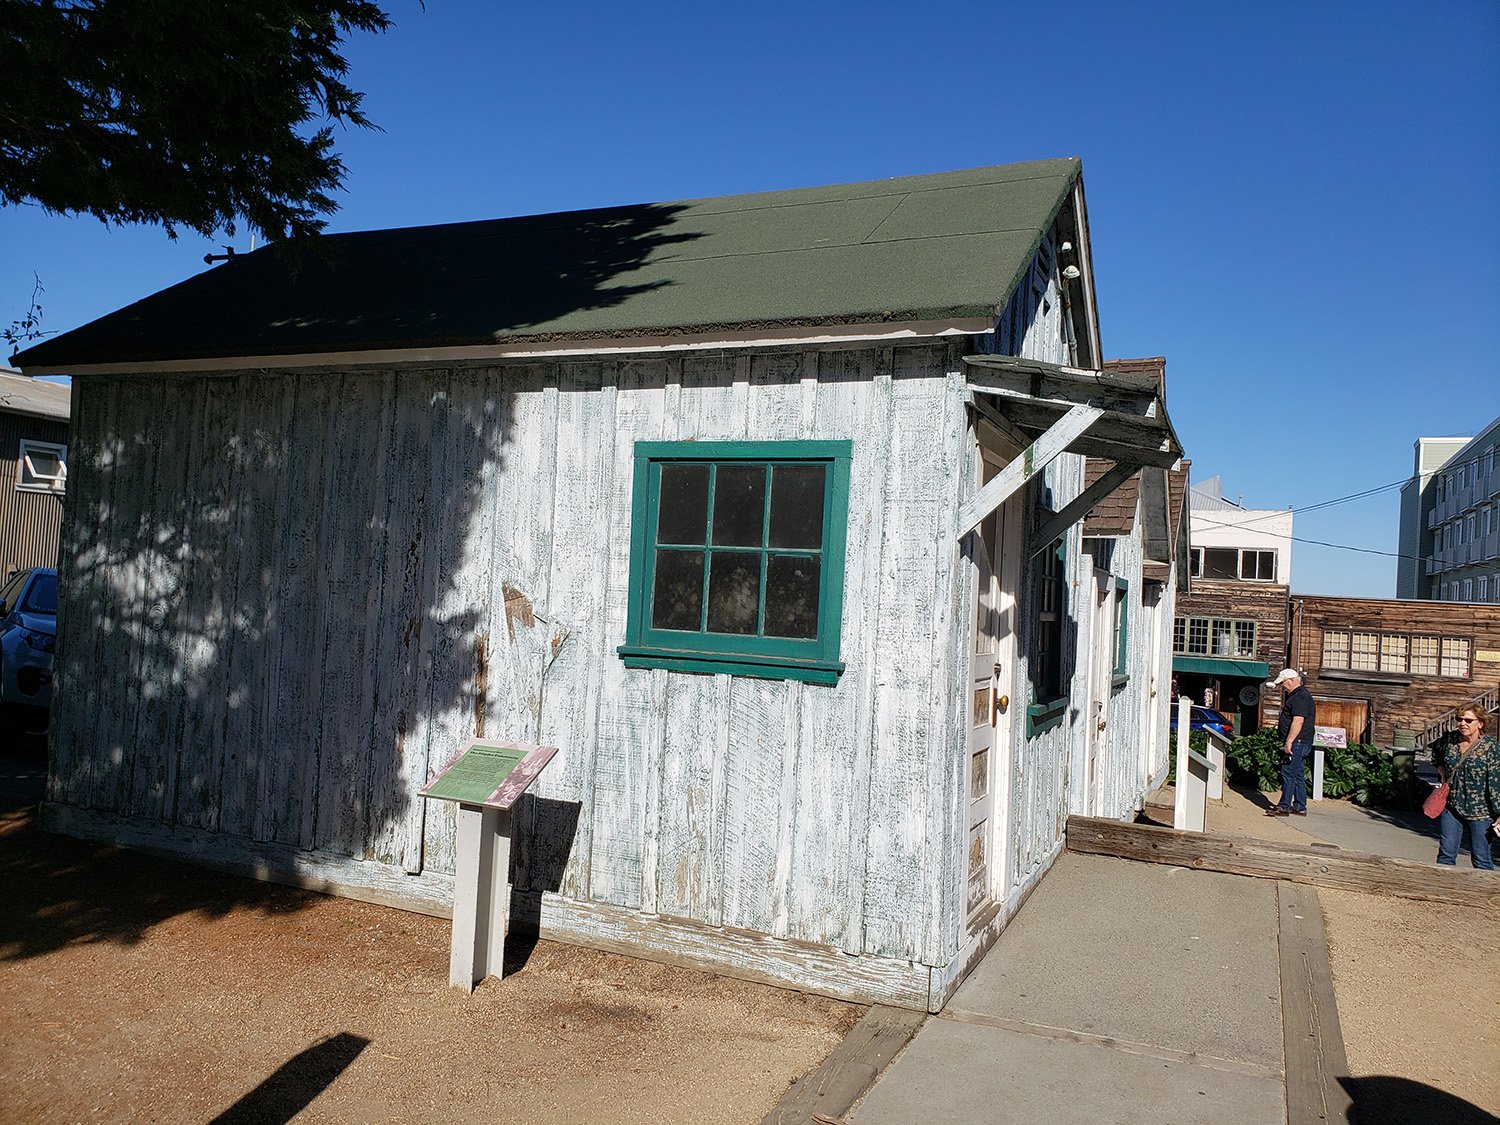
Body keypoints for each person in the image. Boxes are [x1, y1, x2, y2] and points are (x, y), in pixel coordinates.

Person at [1434, 706, 1500, 869]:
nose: (1462, 723)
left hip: (1481, 813)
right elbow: (1436, 750)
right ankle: (1443, 892)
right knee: (1446, 856)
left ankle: (1486, 894)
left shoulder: (1491, 748)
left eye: (1468, 720)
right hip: (1452, 807)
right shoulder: (1449, 741)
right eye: (1459, 719)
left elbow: (1495, 783)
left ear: (1481, 723)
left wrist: (1499, 813)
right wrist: (1440, 769)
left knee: (1481, 859)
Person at [1265, 668, 1315, 817]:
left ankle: (1284, 806)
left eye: (1283, 683)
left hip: (1297, 741)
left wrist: (1289, 742)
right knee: (1298, 773)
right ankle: (1300, 806)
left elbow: (1298, 720)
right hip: (1301, 741)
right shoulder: (1300, 695)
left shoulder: (1299, 696)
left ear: (1292, 680)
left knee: (1288, 773)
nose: (1282, 686)